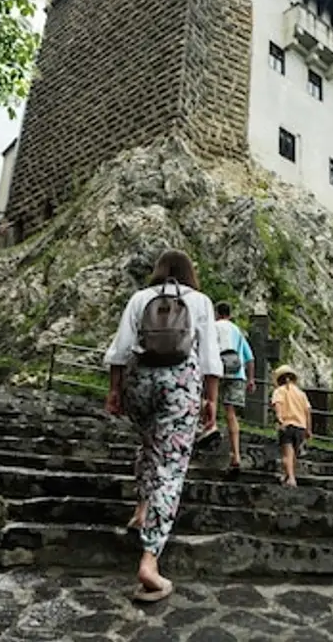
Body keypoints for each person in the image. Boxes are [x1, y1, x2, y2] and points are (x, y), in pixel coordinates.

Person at [103, 249, 222, 603]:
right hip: (180, 384)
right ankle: (150, 561)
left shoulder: (140, 298)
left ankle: (142, 508)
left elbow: (121, 348)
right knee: (171, 466)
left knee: (149, 444)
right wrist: (210, 400)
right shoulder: (199, 301)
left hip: (140, 383)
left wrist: (114, 391)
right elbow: (209, 357)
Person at [197, 302, 255, 474]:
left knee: (207, 401)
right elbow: (249, 357)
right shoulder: (237, 331)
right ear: (229, 314)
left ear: (216, 313)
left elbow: (203, 349)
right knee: (231, 414)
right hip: (236, 373)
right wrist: (251, 379)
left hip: (215, 371)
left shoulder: (212, 327)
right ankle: (236, 455)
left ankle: (208, 428)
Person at [270, 364, 312, 487]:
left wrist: (279, 418)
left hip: (287, 425)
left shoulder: (279, 391)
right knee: (293, 454)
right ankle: (288, 475)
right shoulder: (301, 394)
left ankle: (291, 478)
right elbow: (308, 411)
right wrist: (309, 429)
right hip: (300, 427)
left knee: (286, 454)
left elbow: (278, 405)